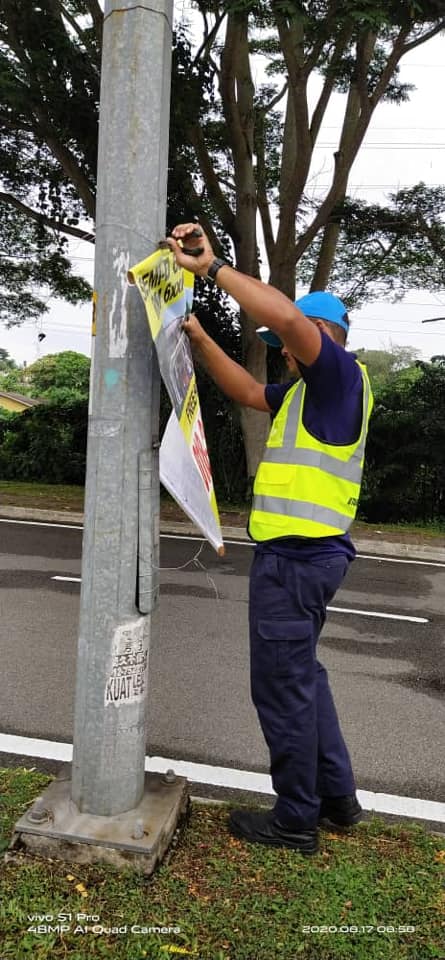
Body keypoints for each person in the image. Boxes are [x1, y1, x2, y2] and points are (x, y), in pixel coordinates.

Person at [166, 224, 374, 856]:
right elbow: (249, 392)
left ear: (324, 335)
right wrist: (200, 338)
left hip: (297, 559)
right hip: (308, 557)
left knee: (282, 687)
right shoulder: (305, 392)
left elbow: (285, 316)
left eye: (288, 342)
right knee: (304, 676)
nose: (282, 351)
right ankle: (336, 800)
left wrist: (212, 269)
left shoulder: (337, 375)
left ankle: (295, 821)